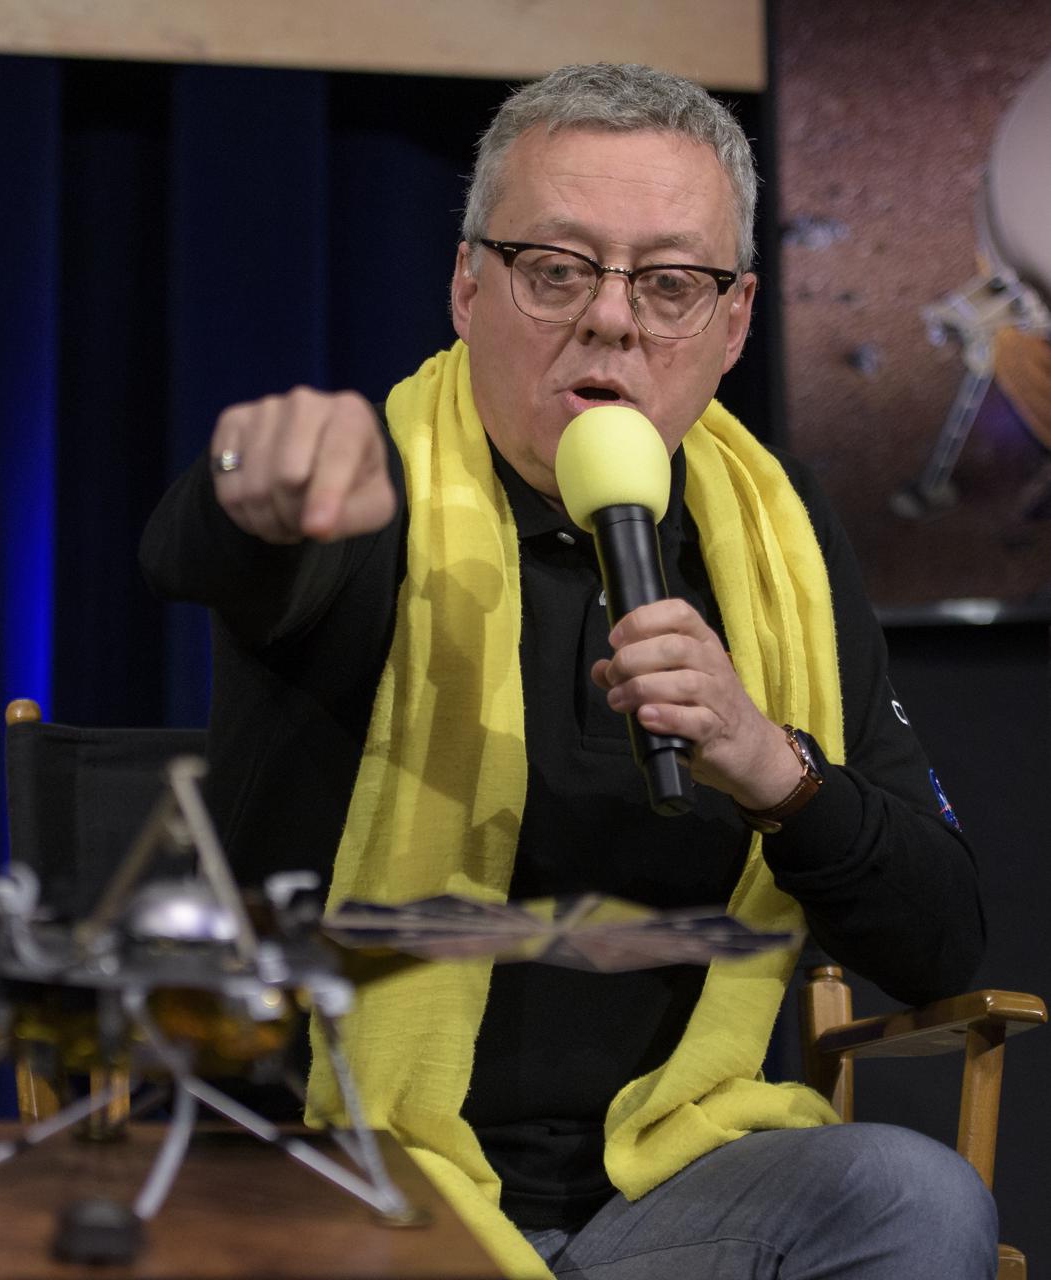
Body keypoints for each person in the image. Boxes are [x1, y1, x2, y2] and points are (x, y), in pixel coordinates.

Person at [141, 63, 996, 1280]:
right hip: (354, 1181)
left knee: (911, 1194)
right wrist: (247, 482)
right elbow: (199, 547)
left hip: (662, 1194)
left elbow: (941, 942)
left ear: (736, 319)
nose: (612, 320)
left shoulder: (784, 538)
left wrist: (772, 766)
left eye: (670, 284)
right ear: (466, 286)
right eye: (558, 270)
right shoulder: (373, 488)